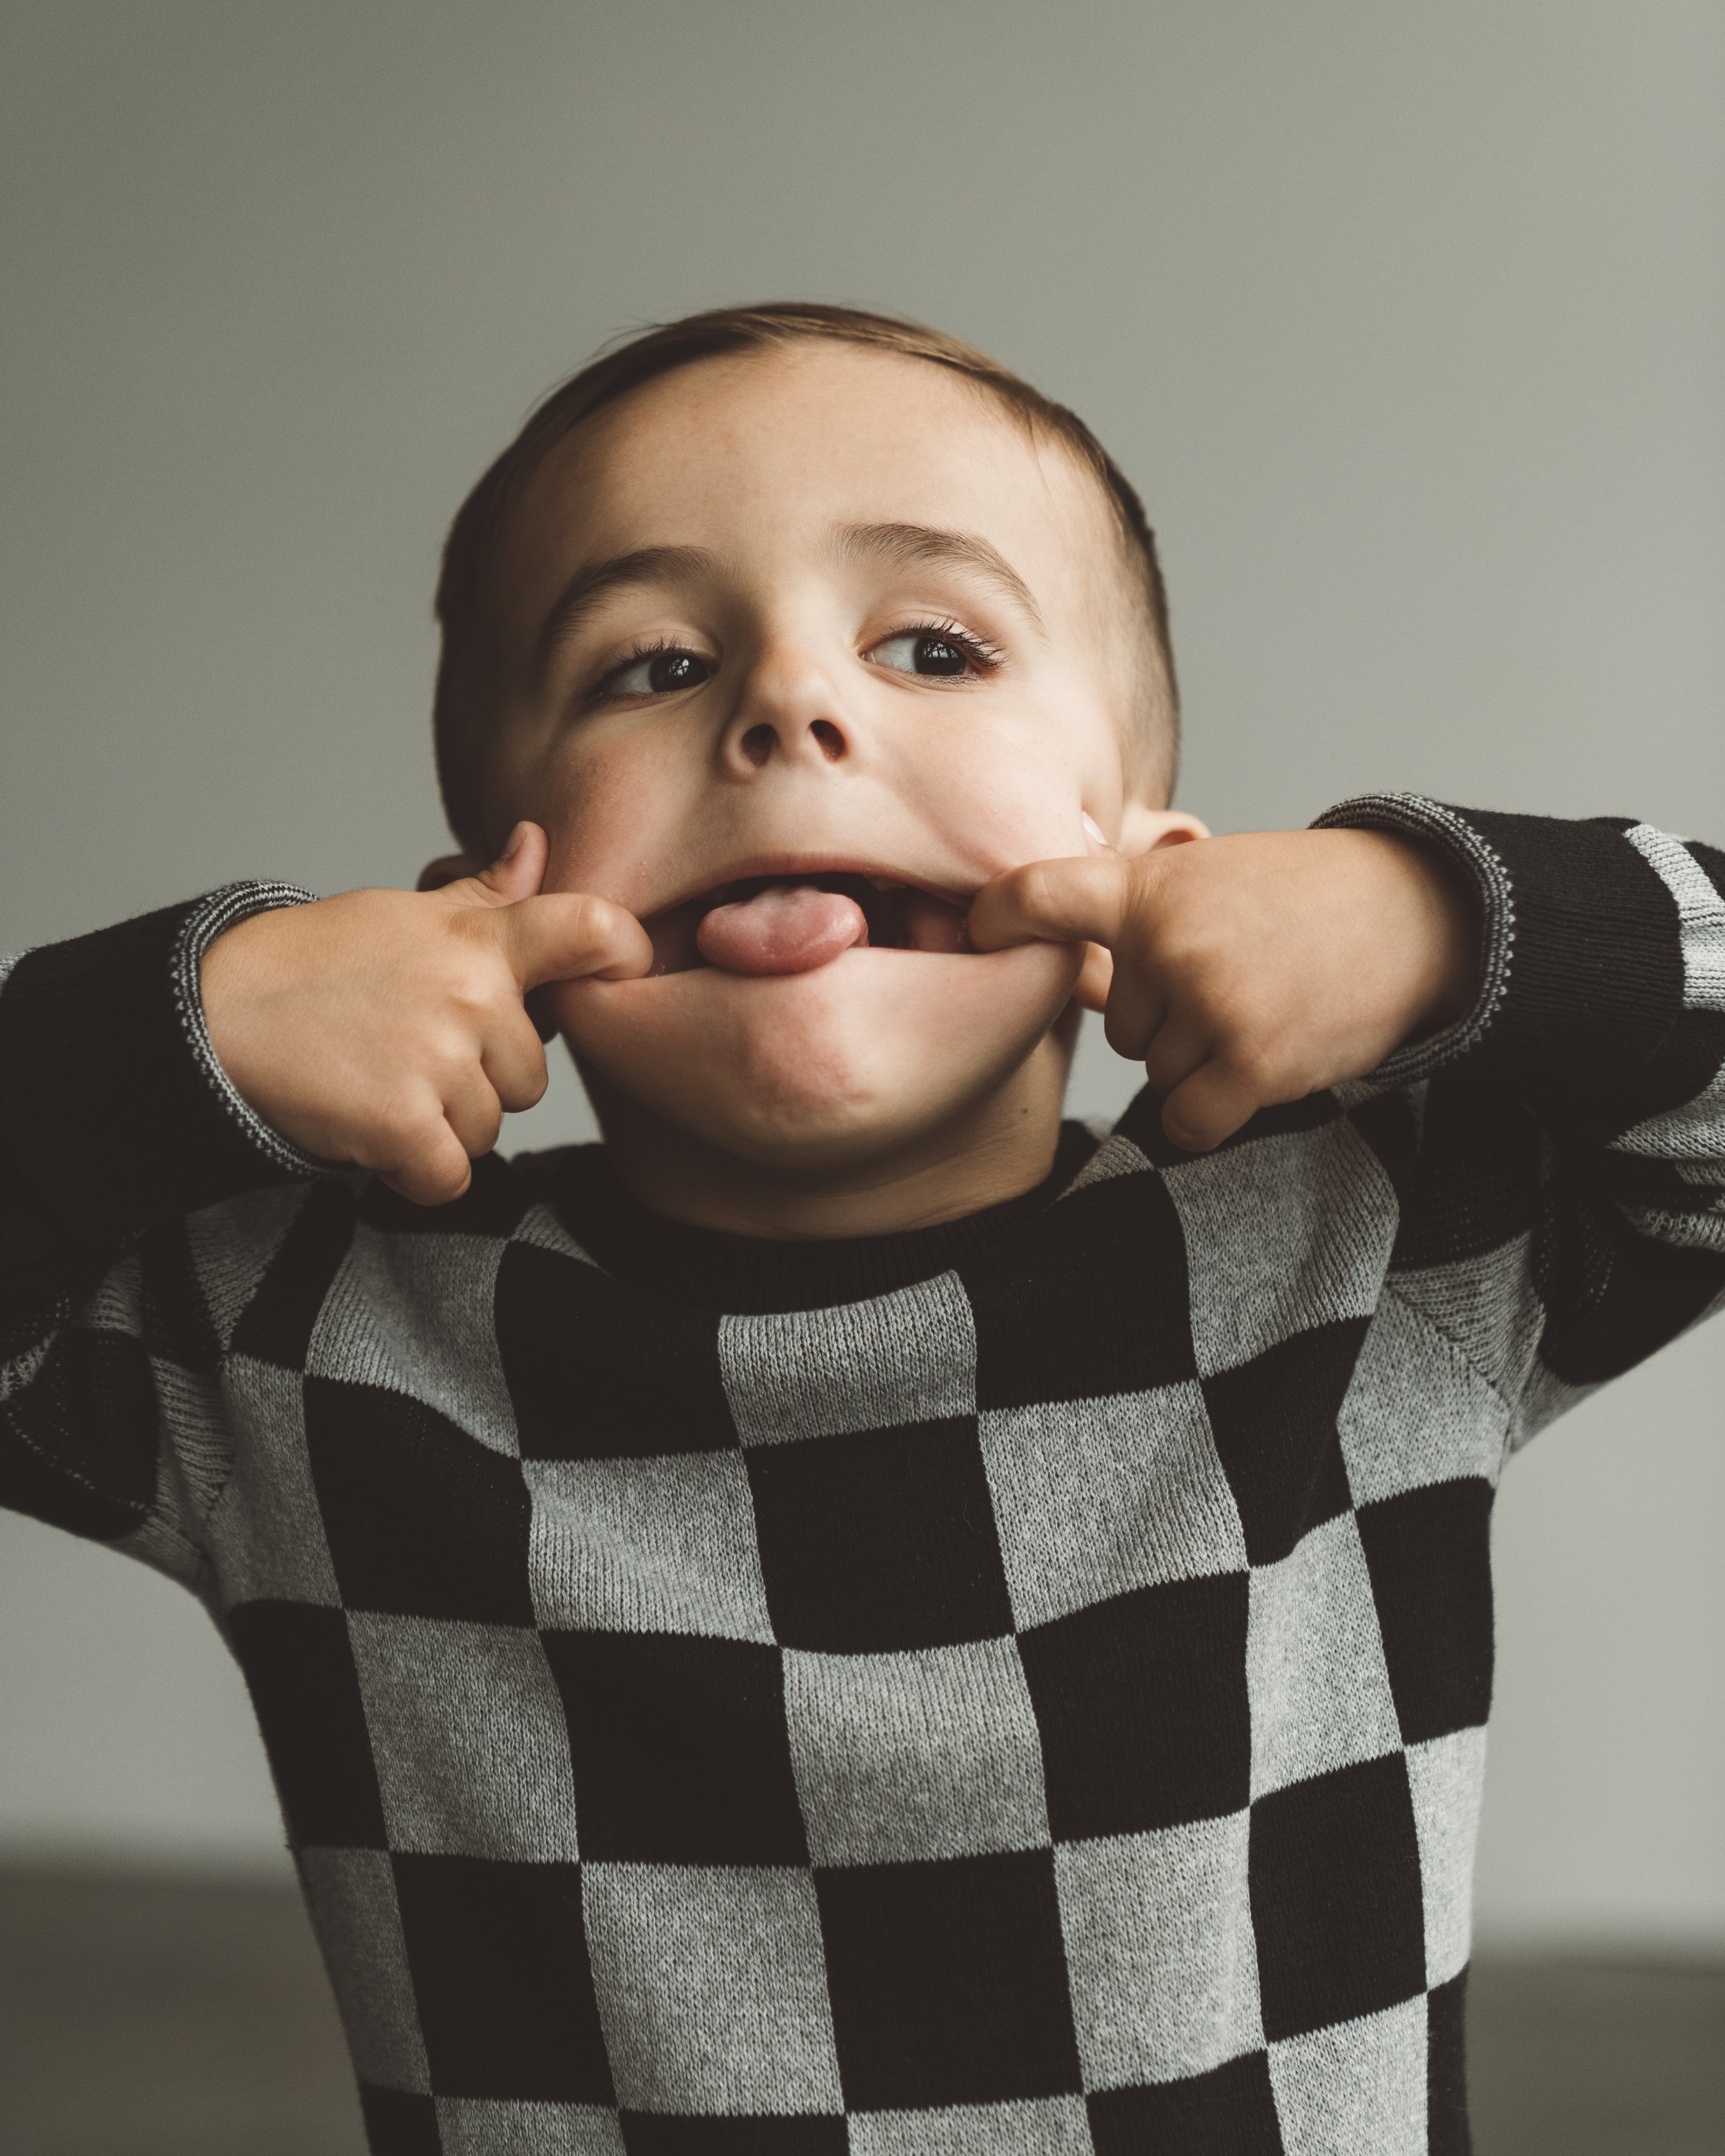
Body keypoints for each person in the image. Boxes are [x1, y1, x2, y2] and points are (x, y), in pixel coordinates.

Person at [2, 302, 1719, 2156]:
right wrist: (181, 1034)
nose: (784, 709)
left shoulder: (1367, 1248)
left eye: (932, 644)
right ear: (465, 903)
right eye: (644, 666)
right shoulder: (296, 1337)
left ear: (1153, 864)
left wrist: (1442, 919)